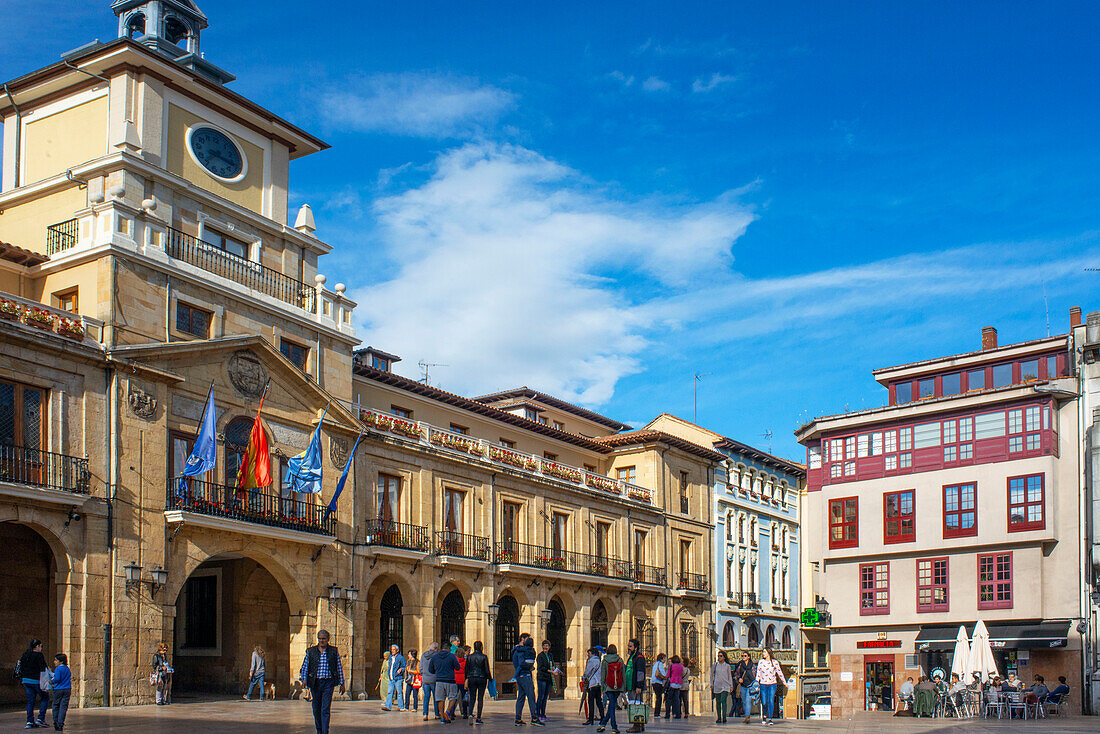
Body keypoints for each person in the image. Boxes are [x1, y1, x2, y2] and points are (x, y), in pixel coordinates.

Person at [299, 630, 345, 734]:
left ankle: (325, 731)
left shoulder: (333, 651)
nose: (321, 641)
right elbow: (305, 666)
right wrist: (304, 679)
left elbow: (339, 667)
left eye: (323, 639)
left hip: (328, 683)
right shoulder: (311, 651)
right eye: (320, 638)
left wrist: (342, 683)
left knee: (325, 709)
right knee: (316, 708)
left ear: (328, 639)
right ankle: (319, 730)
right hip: (316, 683)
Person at [512, 635, 542, 726]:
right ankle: (534, 717)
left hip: (520, 676)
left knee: (521, 697)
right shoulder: (522, 651)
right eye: (527, 638)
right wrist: (530, 667)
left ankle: (518, 719)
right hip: (525, 675)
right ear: (523, 639)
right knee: (531, 696)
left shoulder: (517, 650)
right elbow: (521, 663)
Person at [19, 639, 49, 729]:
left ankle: (30, 721)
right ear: (37, 646)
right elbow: (43, 669)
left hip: (26, 680)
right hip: (36, 680)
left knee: (30, 701)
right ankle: (40, 719)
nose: (41, 648)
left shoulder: (25, 655)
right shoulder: (39, 655)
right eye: (41, 646)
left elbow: (21, 667)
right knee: (45, 697)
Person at [429, 641, 460, 723]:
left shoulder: (435, 657)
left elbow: (430, 670)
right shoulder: (452, 656)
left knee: (440, 699)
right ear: (449, 648)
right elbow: (457, 667)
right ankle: (447, 712)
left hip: (439, 681)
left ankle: (442, 717)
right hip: (450, 680)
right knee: (453, 697)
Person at [598, 643, 625, 733]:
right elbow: (623, 674)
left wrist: (603, 688)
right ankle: (605, 724)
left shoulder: (605, 661)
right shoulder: (620, 660)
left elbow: (603, 676)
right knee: (612, 706)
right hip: (618, 687)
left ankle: (612, 726)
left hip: (608, 686)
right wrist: (623, 687)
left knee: (611, 707)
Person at [754, 647, 782, 727]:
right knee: (764, 702)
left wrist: (784, 682)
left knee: (770, 700)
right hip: (763, 684)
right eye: (763, 652)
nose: (763, 653)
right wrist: (756, 683)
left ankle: (770, 718)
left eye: (764, 652)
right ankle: (764, 715)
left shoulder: (774, 662)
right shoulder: (761, 662)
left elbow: (779, 673)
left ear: (769, 653)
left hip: (772, 684)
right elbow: (758, 673)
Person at [465, 640, 492, 725]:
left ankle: (470, 714)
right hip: (481, 678)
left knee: (472, 697)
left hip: (472, 678)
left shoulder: (469, 657)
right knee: (480, 698)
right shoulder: (484, 657)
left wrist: (466, 678)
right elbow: (487, 670)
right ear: (481, 647)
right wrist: (490, 678)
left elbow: (467, 669)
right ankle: (479, 717)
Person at [624, 639, 648, 733]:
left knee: (636, 706)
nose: (628, 648)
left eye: (630, 646)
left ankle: (637, 725)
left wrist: (639, 686)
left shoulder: (639, 657)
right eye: (628, 646)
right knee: (634, 705)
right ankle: (639, 724)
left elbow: (640, 672)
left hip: (635, 686)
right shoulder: (632, 657)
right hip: (631, 685)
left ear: (636, 647)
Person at [583, 647, 605, 725]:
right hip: (598, 684)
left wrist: (584, 677)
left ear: (592, 653)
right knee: (599, 701)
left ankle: (590, 719)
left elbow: (587, 671)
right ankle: (602, 717)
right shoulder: (599, 661)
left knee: (591, 702)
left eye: (589, 653)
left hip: (592, 684)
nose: (588, 655)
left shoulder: (591, 661)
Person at [50, 652, 71, 731]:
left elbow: (57, 678)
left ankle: (56, 722)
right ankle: (61, 723)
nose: (54, 662)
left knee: (56, 706)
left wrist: (51, 681)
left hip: (58, 689)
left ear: (61, 661)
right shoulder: (67, 669)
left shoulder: (58, 669)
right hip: (67, 689)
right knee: (63, 707)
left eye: (56, 660)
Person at [710, 650, 733, 724]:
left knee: (724, 701)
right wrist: (711, 684)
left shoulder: (727, 666)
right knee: (718, 702)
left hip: (725, 686)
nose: (719, 657)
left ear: (724, 657)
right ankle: (719, 717)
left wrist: (731, 685)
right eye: (718, 656)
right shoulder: (715, 665)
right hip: (717, 685)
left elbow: (730, 676)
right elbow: (711, 675)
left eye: (721, 656)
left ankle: (724, 717)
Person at [731, 651, 755, 723]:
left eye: (745, 656)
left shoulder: (752, 665)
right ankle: (746, 715)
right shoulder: (740, 665)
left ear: (748, 657)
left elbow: (755, 675)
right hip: (743, 685)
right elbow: (736, 674)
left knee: (748, 701)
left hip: (750, 685)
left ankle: (747, 716)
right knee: (744, 701)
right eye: (742, 656)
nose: (743, 657)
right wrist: (739, 679)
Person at [382, 644, 406, 711]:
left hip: (398, 678)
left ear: (397, 650)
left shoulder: (400, 658)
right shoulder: (390, 658)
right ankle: (388, 706)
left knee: (399, 692)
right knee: (390, 692)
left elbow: (404, 666)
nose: (392, 651)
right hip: (391, 678)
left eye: (394, 650)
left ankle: (401, 706)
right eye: (391, 650)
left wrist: (401, 670)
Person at [422, 641, 441, 720]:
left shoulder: (423, 655)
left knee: (426, 697)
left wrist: (424, 673)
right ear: (436, 649)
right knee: (436, 697)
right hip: (434, 679)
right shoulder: (437, 656)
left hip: (425, 679)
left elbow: (420, 667)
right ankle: (437, 714)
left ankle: (425, 714)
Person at [536, 640, 554, 722]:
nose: (545, 647)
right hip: (542, 678)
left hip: (548, 679)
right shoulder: (540, 656)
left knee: (545, 697)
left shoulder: (550, 655)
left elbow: (552, 665)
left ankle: (543, 714)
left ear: (549, 647)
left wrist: (554, 669)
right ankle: (537, 714)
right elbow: (541, 667)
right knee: (541, 697)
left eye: (547, 646)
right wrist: (550, 671)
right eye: (544, 646)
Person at [153, 641, 173, 706]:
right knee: (160, 687)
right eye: (164, 650)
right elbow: (154, 665)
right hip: (160, 673)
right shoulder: (156, 656)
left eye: (166, 650)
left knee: (165, 686)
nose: (165, 651)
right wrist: (161, 668)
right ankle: (158, 700)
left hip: (165, 673)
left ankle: (163, 700)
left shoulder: (164, 656)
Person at [649, 653, 667, 719]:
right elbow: (663, 673)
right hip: (658, 682)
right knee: (659, 698)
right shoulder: (660, 664)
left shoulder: (655, 664)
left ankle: (656, 713)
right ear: (662, 658)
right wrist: (665, 677)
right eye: (664, 658)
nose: (665, 660)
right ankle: (657, 713)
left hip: (653, 682)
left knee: (658, 697)